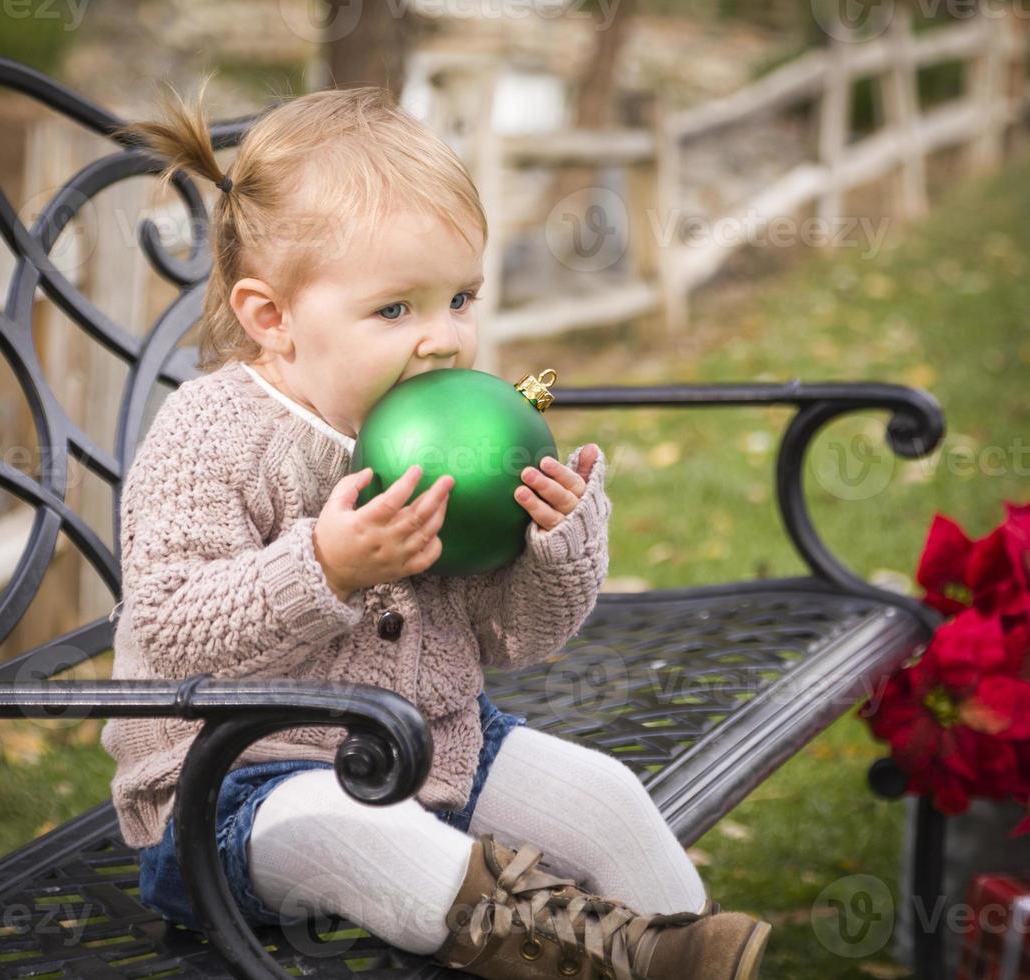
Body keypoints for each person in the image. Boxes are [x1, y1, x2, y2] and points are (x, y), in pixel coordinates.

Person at [100, 75, 771, 980]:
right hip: (231, 789)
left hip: (438, 743)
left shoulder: (454, 434)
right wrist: (325, 570)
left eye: (459, 298)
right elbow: (173, 626)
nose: (446, 340)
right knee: (340, 826)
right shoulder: (211, 436)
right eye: (395, 309)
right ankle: (576, 950)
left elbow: (513, 637)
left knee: (605, 798)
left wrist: (552, 545)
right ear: (273, 317)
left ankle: (681, 951)